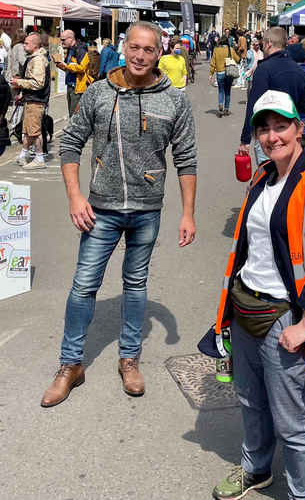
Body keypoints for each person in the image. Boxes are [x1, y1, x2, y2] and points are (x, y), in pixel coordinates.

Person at [40, 21, 197, 408]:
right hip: (102, 210)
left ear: (160, 52)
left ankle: (129, 359)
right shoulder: (98, 93)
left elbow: (187, 159)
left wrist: (188, 214)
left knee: (136, 285)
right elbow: (70, 144)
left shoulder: (174, 101)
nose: (141, 56)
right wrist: (76, 197)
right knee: (83, 286)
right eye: (135, 48)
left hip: (147, 211)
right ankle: (70, 365)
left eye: (149, 49)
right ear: (124, 48)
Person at [211, 90, 305, 500]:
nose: (273, 137)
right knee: (250, 400)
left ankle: (304, 493)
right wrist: (227, 311)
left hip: (284, 318)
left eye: (280, 127)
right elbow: (247, 248)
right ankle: (255, 469)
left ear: (299, 128)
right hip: (244, 307)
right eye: (264, 129)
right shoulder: (262, 176)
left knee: (293, 419)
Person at [238, 26, 305, 165]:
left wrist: (245, 139)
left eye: (263, 43)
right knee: (288, 178)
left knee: (268, 177)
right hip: (290, 133)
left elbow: (253, 106)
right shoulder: (299, 70)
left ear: (269, 43)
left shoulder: (264, 69)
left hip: (268, 133)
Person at [10, 32, 50, 170]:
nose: (24, 45)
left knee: (34, 131)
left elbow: (38, 83)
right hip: (32, 98)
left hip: (36, 100)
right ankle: (23, 154)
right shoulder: (34, 58)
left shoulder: (38, 59)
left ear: (35, 45)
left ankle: (39, 158)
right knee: (28, 130)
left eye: (26, 43)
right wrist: (23, 92)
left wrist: (19, 82)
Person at [56, 30, 92, 118]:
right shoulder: (70, 50)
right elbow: (70, 68)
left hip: (78, 87)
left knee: (75, 116)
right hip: (70, 86)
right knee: (71, 114)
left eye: (63, 40)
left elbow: (82, 68)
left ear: (71, 39)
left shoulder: (81, 50)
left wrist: (67, 66)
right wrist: (61, 65)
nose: (62, 42)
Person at [209, 36, 240, 117]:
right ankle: (226, 109)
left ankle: (220, 104)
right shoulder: (231, 50)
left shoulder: (216, 50)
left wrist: (211, 74)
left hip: (219, 73)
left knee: (220, 91)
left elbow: (213, 62)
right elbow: (237, 59)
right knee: (228, 91)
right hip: (229, 72)